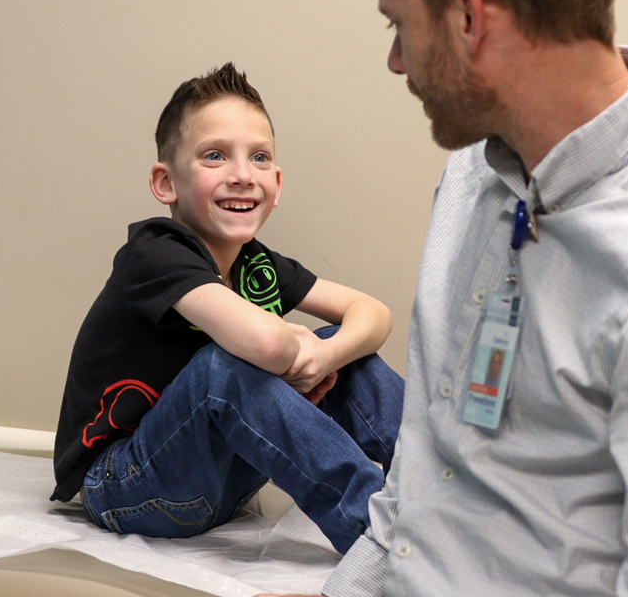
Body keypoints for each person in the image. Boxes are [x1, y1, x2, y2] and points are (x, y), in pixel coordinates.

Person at [257, 0, 628, 595]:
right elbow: (419, 485)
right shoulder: (476, 176)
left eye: (399, 26)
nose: (396, 61)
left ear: (472, 18)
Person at [50, 63, 404, 555]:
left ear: (277, 183)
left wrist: (325, 356)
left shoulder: (257, 265)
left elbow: (372, 313)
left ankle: (445, 494)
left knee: (343, 352)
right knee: (222, 369)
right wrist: (294, 345)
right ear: (165, 182)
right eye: (215, 156)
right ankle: (382, 537)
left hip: (221, 482)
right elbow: (265, 345)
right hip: (126, 483)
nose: (242, 175)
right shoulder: (155, 252)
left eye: (259, 158)